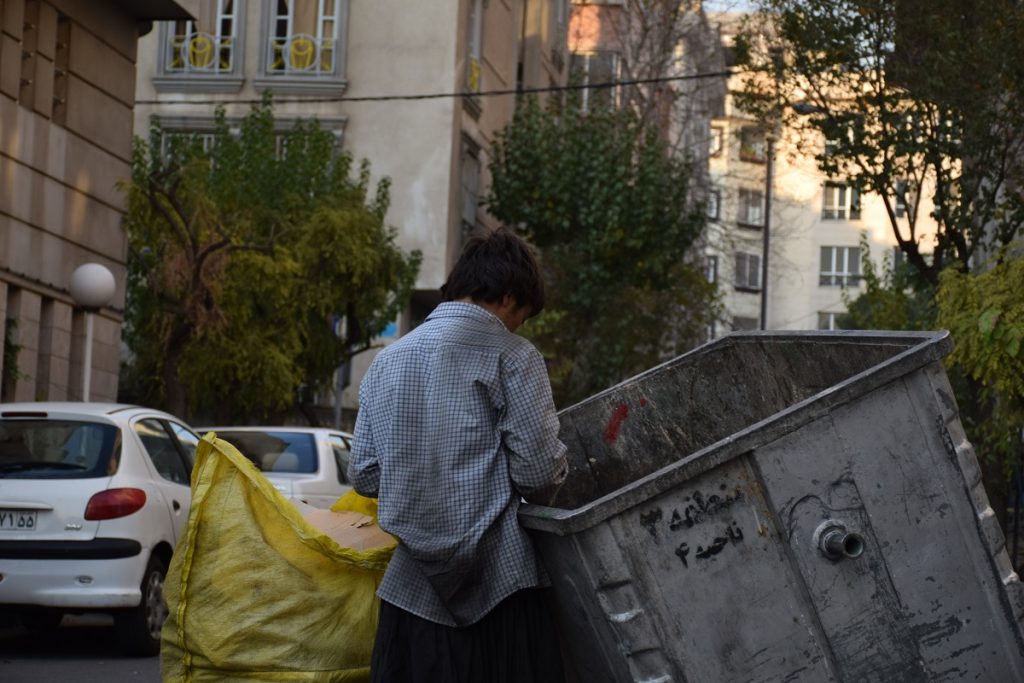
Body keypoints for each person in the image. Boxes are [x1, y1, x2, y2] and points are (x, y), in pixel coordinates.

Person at [348, 227, 569, 683]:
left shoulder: (387, 361)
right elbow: (539, 474)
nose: (519, 328)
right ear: (508, 297)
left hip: (412, 600)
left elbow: (366, 475)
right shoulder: (514, 356)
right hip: (501, 596)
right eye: (522, 316)